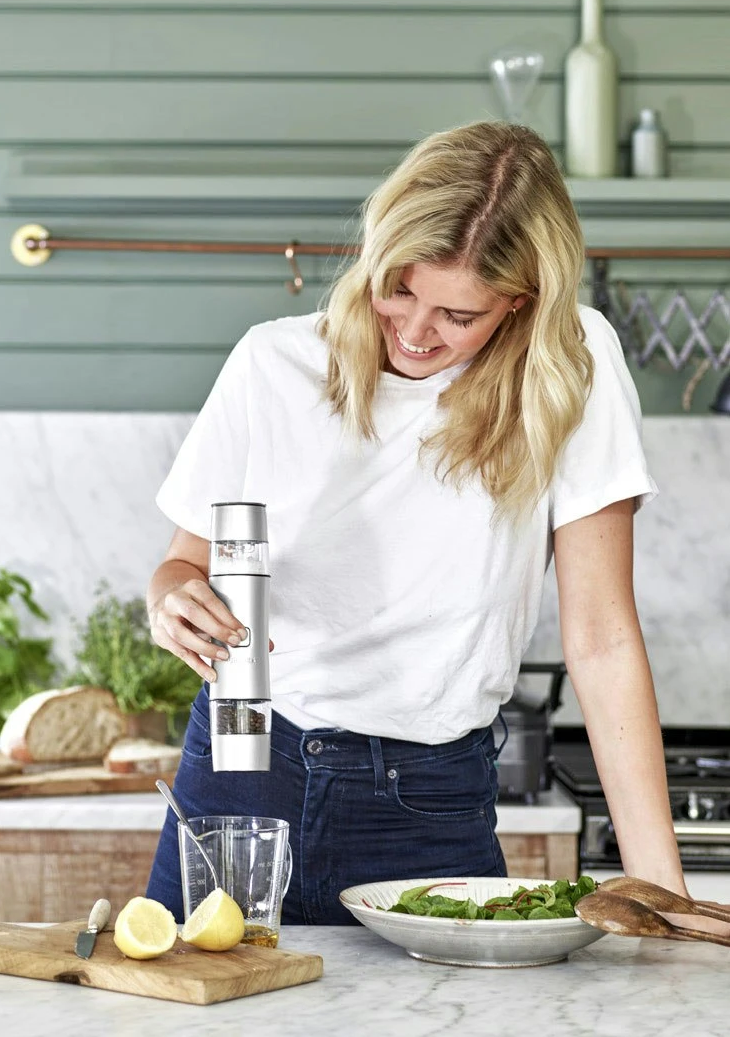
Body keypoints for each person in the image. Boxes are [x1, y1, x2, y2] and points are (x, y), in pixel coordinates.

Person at [145, 120, 691, 926]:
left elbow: (602, 640)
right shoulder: (271, 364)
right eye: (397, 287)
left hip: (427, 799)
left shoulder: (572, 368)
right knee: (186, 988)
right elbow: (183, 562)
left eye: (456, 314)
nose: (411, 329)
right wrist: (170, 602)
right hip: (243, 761)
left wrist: (662, 893)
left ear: (519, 302)